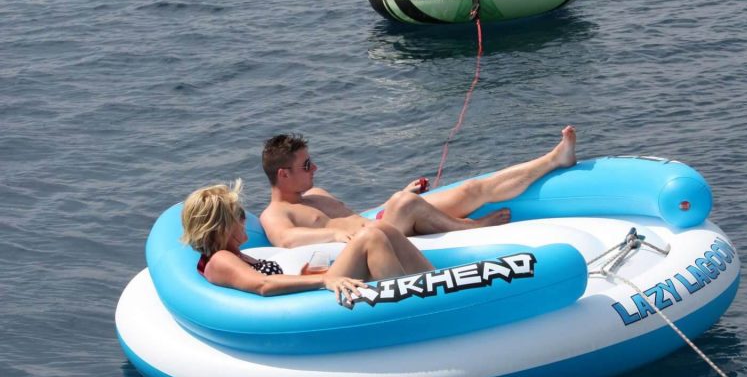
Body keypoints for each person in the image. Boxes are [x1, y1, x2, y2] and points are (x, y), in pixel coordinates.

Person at [259, 126, 577, 248]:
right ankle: (469, 228)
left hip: (385, 225)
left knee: (470, 189)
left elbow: (356, 217)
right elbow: (286, 240)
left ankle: (553, 159)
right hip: (371, 245)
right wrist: (333, 234)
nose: (315, 169)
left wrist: (400, 196)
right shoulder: (275, 214)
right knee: (401, 204)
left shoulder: (316, 194)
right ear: (283, 175)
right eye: (306, 166)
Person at [181, 181, 433, 304]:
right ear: (221, 226)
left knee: (379, 228)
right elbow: (263, 284)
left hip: (304, 294)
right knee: (371, 236)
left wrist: (305, 274)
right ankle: (409, 305)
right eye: (239, 215)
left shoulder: (233, 254)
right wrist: (324, 279)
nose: (245, 219)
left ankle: (436, 283)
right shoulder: (221, 259)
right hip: (301, 309)